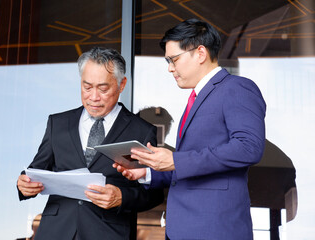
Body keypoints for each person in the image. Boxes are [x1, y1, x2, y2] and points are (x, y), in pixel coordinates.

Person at [114, 19, 266, 240]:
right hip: (182, 230)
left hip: (215, 230)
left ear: (201, 53)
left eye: (173, 59)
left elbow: (248, 147)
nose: (170, 68)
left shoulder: (237, 88)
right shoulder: (195, 99)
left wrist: (175, 160)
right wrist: (149, 172)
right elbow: (194, 166)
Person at [17, 47, 164, 240]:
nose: (93, 97)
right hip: (55, 231)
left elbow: (153, 194)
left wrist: (121, 197)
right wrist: (24, 184)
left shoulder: (141, 131)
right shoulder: (58, 123)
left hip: (109, 233)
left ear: (122, 85)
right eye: (87, 87)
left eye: (103, 89)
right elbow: (36, 170)